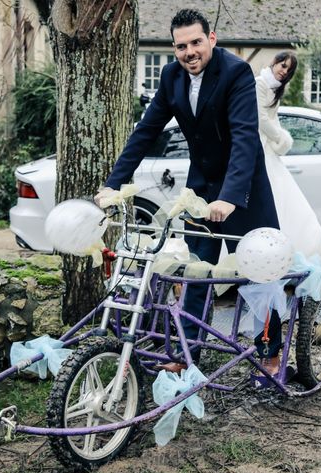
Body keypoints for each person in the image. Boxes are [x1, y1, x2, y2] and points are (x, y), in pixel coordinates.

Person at [95, 9, 284, 376]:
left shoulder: (235, 72)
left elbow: (245, 138)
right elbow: (145, 131)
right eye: (181, 46)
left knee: (262, 275)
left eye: (196, 42)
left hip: (244, 188)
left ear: (211, 39)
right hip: (199, 188)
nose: (189, 52)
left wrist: (229, 197)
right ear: (174, 49)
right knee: (195, 273)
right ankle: (187, 352)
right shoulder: (170, 77)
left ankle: (270, 352)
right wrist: (113, 183)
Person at [255, 52, 321, 260]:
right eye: (282, 65)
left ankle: (283, 249)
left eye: (288, 70)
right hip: (260, 148)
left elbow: (272, 118)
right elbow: (259, 117)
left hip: (269, 150)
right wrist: (280, 137)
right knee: (276, 198)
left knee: (286, 201)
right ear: (274, 62)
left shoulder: (275, 88)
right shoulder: (260, 83)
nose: (283, 71)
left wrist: (280, 141)